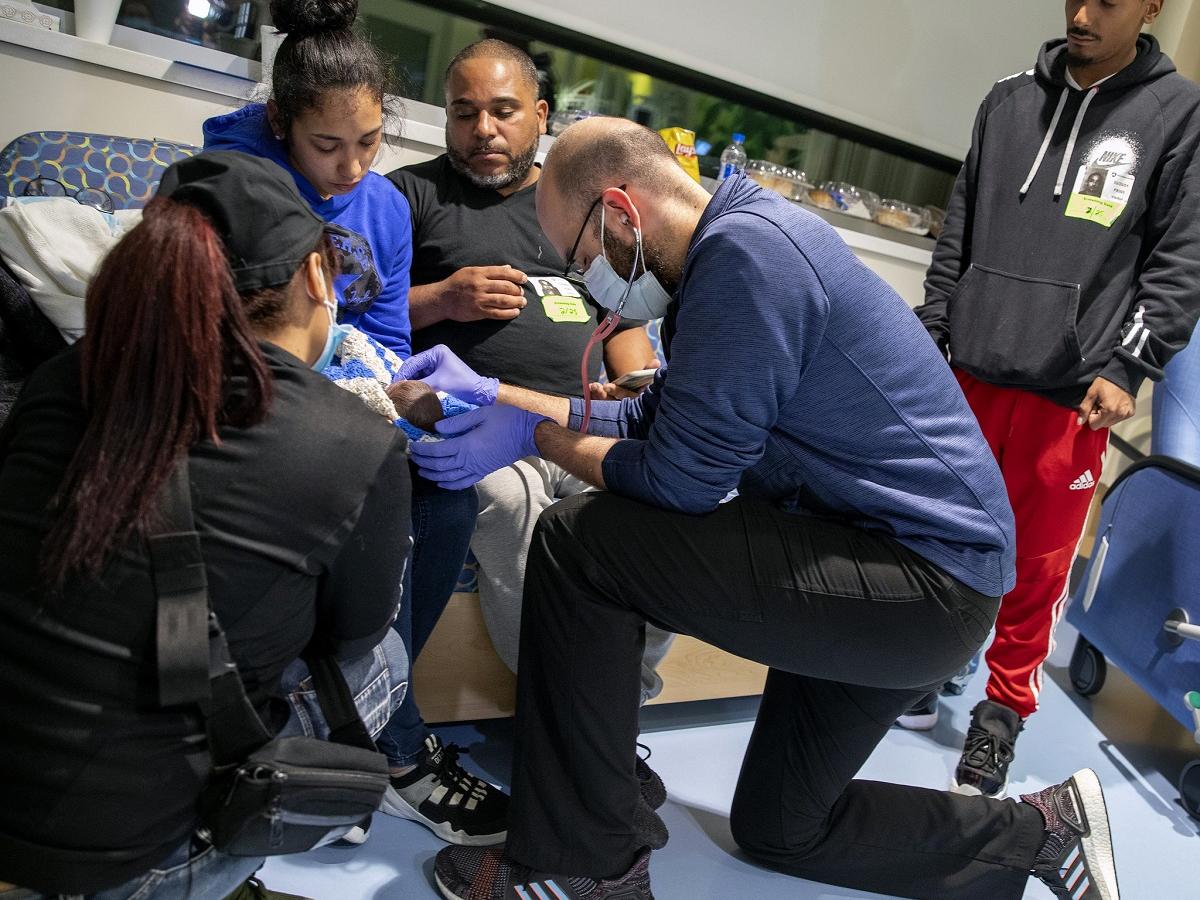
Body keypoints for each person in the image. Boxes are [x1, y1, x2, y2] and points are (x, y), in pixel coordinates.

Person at [403, 117, 1121, 900]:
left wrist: (531, 434)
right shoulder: (732, 249)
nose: (587, 280)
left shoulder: (748, 259)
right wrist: (501, 398)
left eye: (580, 258)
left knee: (579, 543)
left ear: (619, 212)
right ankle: (1039, 833)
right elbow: (652, 420)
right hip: (900, 572)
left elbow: (681, 480)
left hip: (921, 587)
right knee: (783, 826)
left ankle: (585, 862)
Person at [0, 152, 409, 899]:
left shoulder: (64, 378)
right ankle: (211, 858)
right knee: (385, 660)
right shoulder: (352, 441)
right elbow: (349, 637)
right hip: (128, 861)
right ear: (316, 276)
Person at [202, 0, 494, 843]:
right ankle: (388, 751)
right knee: (370, 491)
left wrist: (408, 396)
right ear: (281, 123)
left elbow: (390, 338)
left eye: (369, 142)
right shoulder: (233, 178)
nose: (352, 166)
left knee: (449, 498)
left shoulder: (385, 209)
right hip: (255, 392)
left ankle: (357, 731)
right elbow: (216, 324)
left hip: (346, 396)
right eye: (327, 144)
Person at [912, 0, 1200, 799]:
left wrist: (1130, 366)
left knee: (1036, 568)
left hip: (1071, 391)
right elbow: (959, 228)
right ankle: (921, 665)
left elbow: (1180, 258)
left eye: (1107, 1)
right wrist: (934, 329)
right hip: (970, 370)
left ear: (1151, 7)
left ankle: (1001, 714)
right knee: (940, 537)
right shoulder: (1008, 99)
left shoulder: (1178, 114)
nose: (1081, 13)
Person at [387, 40, 673, 715]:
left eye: (503, 111)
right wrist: (442, 299)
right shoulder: (409, 196)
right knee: (513, 505)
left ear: (540, 115)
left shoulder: (576, 204)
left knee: (660, 509)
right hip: (479, 428)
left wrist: (633, 387)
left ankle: (612, 709)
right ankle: (573, 711)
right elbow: (354, 313)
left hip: (580, 422)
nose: (483, 129)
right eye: (464, 113)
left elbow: (624, 321)